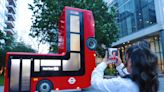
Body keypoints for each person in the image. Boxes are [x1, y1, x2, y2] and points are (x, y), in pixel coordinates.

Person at [91, 44, 159, 92]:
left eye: (126, 59)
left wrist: (104, 62)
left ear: (130, 62)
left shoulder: (121, 83)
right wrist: (119, 65)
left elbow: (95, 82)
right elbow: (130, 76)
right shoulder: (151, 81)